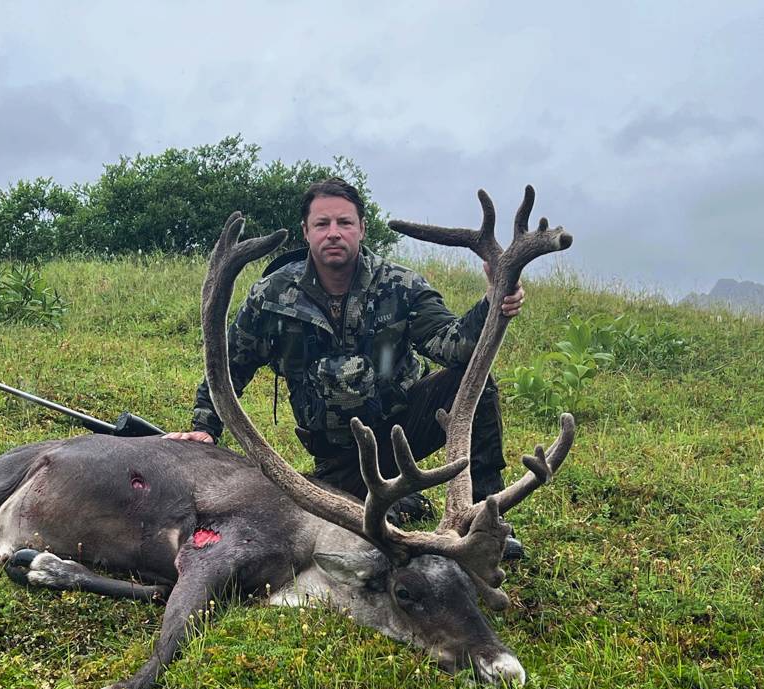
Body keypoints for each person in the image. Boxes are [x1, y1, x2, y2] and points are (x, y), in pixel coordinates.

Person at [165, 177, 525, 554]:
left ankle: (486, 520)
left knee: (474, 380)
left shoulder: (400, 285)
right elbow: (229, 366)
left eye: (345, 222)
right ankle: (391, 499)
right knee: (323, 513)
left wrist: (492, 302)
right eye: (322, 224)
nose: (333, 232)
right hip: (337, 459)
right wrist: (205, 428)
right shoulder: (272, 295)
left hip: (402, 432)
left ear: (362, 228)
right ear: (306, 232)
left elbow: (453, 345)